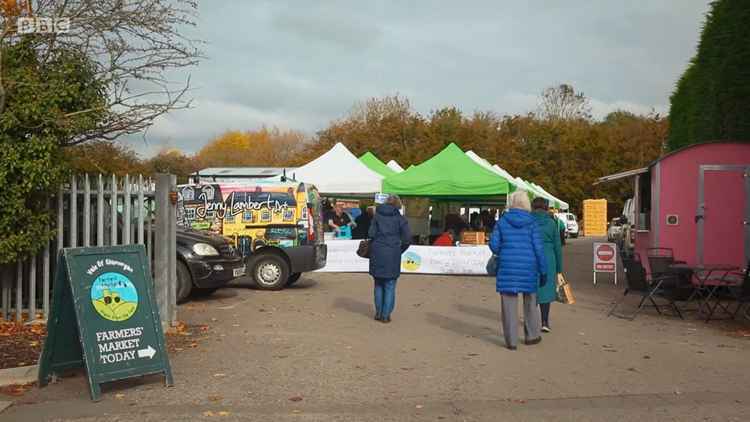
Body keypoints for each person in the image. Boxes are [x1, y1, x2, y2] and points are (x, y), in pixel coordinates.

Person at [489, 190, 547, 350]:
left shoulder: (502, 221)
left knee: (508, 305)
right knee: (530, 302)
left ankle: (511, 341)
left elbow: (494, 245)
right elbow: (539, 248)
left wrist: (504, 249)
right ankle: (532, 336)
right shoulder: (532, 222)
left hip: (507, 266)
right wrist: (543, 270)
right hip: (529, 267)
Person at [368, 195, 411, 323]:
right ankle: (385, 315)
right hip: (393, 253)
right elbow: (407, 238)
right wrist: (399, 249)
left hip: (377, 252)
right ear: (398, 205)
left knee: (378, 284)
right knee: (390, 285)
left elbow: (371, 234)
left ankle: (379, 313)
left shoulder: (377, 217)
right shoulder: (401, 219)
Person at [531, 198, 563, 333]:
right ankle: (544, 321)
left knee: (531, 290)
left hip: (531, 257)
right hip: (549, 258)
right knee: (546, 289)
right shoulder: (551, 223)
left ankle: (530, 319)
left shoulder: (528, 221)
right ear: (546, 207)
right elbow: (558, 247)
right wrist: (559, 270)